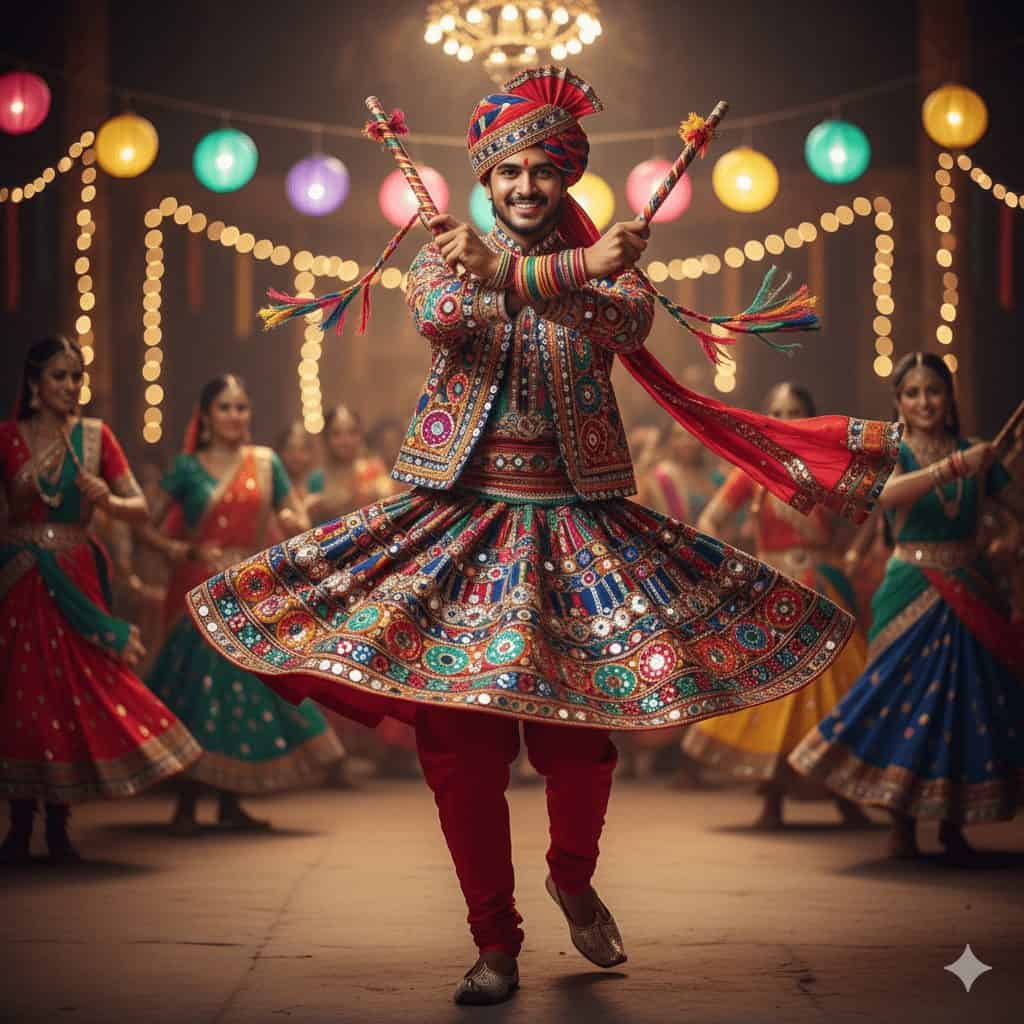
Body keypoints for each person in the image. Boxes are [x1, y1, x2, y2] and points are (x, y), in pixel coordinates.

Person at [184, 67, 897, 1005]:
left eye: (543, 173)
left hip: (578, 526)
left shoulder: (616, 274)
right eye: (508, 173)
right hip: (460, 524)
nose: (525, 188)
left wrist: (567, 273)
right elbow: (450, 313)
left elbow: (624, 314)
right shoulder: (441, 259)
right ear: (484, 181)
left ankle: (571, 872)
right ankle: (495, 941)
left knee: (580, 743)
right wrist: (561, 271)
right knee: (459, 750)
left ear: (565, 181)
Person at [789, 352, 1024, 860]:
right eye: (912, 393)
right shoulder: (895, 452)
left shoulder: (976, 453)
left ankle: (953, 822)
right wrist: (956, 466)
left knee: (965, 703)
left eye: (934, 391)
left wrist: (1009, 540)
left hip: (971, 585)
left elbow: (1014, 514)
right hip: (910, 585)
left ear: (949, 397)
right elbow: (885, 497)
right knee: (902, 697)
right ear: (898, 402)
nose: (924, 402)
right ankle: (901, 822)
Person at [0, 335, 200, 863]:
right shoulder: (7, 438)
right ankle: (19, 824)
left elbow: (139, 509)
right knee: (21, 693)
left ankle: (61, 824)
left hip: (75, 581)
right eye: (59, 377)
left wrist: (107, 499)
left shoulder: (95, 439)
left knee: (73, 688)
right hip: (18, 581)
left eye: (76, 378)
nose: (70, 387)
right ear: (33, 384)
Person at [139, 374, 343, 835]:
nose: (236, 416)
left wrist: (294, 518)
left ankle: (231, 801)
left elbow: (293, 514)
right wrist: (179, 552)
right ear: (206, 417)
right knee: (198, 694)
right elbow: (145, 526)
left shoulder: (265, 462)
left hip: (248, 593)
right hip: (197, 594)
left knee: (240, 695)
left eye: (242, 407)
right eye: (226, 408)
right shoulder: (187, 468)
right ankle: (187, 803)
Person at [682, 383, 871, 827]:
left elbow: (871, 509)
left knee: (834, 693)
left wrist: (854, 553)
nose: (786, 419)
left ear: (810, 418)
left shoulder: (827, 466)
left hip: (824, 589)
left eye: (795, 411)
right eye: (778, 411)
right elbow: (711, 520)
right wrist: (733, 567)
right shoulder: (753, 469)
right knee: (777, 694)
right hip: (774, 596)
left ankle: (844, 793)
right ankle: (772, 798)